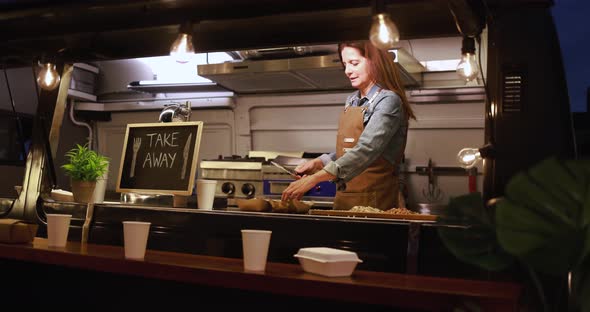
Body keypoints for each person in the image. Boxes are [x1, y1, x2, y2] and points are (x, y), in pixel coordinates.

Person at [281, 40, 416, 210]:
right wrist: (319, 162)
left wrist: (314, 179)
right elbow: (350, 149)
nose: (348, 71)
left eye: (354, 63)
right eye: (345, 65)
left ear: (375, 62)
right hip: (345, 198)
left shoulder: (388, 100)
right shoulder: (352, 100)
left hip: (375, 199)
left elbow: (366, 150)